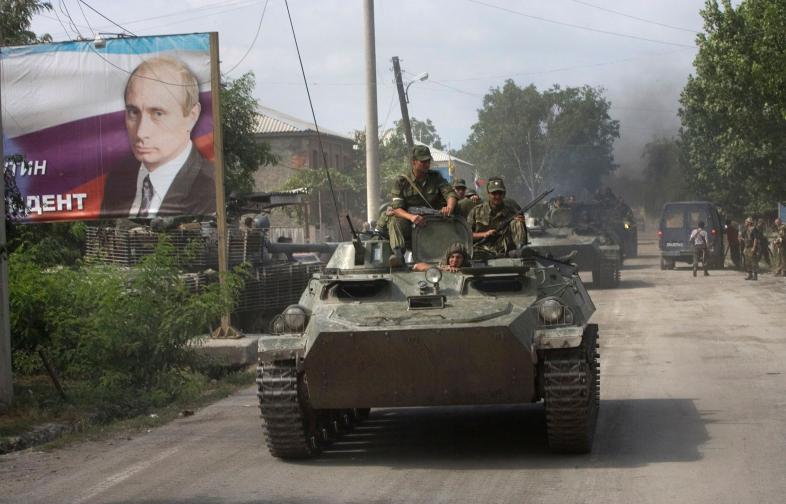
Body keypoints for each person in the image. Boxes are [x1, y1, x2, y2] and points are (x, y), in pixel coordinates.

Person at [102, 56, 216, 218]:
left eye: (158, 113)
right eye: (133, 112)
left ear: (192, 115)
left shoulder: (210, 187)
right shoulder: (117, 180)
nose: (141, 133)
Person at [388, 145, 457, 253]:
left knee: (460, 206)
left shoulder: (436, 177)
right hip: (410, 221)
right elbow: (397, 208)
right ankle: (398, 254)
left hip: (434, 219)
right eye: (423, 161)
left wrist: (449, 208)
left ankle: (457, 250)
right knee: (396, 221)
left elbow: (450, 193)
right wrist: (411, 217)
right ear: (414, 162)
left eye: (428, 161)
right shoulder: (402, 181)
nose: (427, 164)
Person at [467, 177, 527, 259]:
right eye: (494, 193)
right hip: (482, 250)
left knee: (517, 222)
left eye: (500, 193)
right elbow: (467, 235)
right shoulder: (476, 212)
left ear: (504, 194)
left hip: (507, 251)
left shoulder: (512, 212)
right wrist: (484, 234)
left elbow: (521, 231)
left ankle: (521, 252)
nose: (497, 196)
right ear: (488, 194)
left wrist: (521, 223)